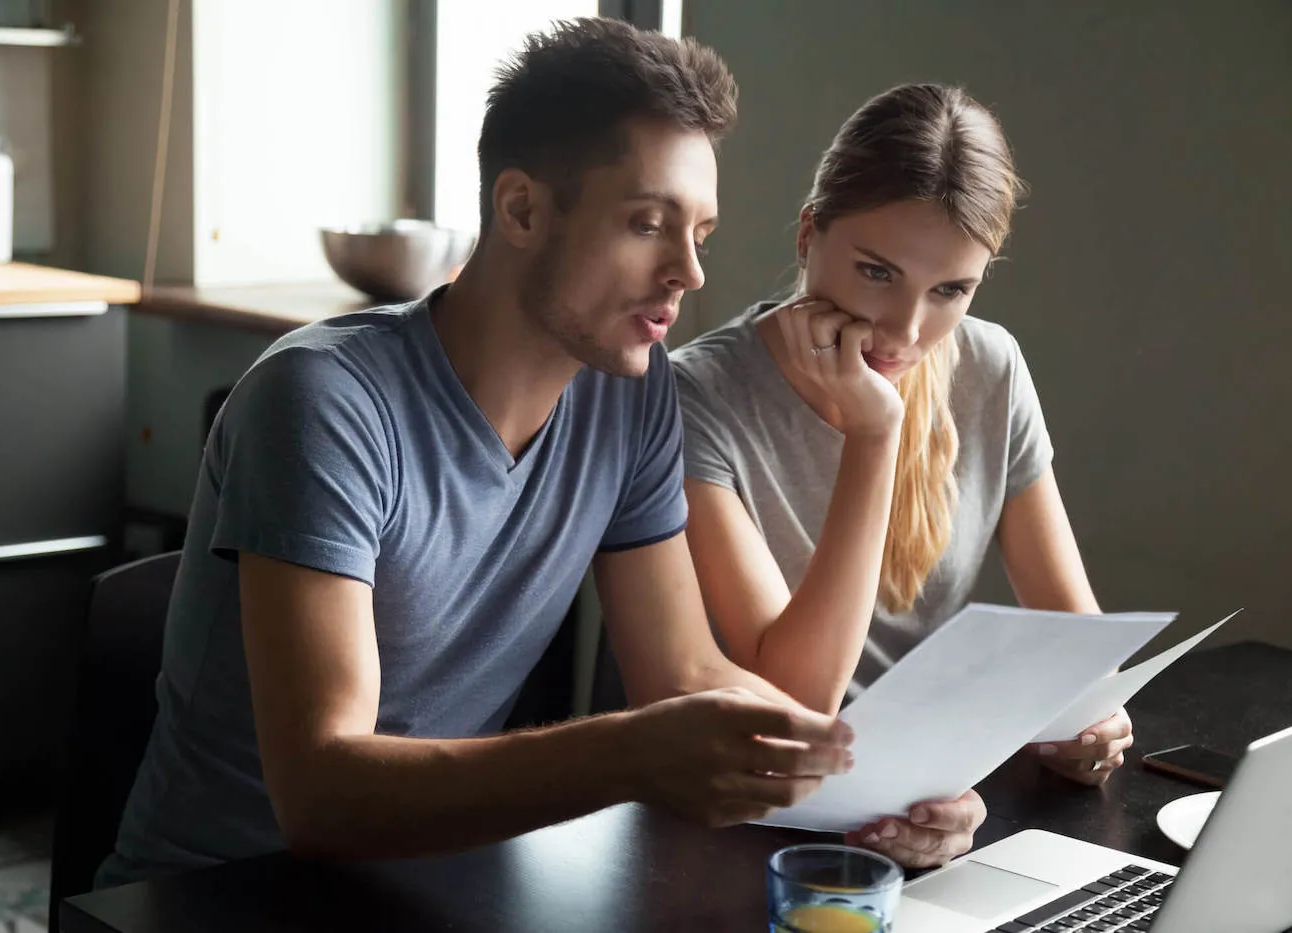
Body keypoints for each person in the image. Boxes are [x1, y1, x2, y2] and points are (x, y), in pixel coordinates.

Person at [96, 18, 856, 888]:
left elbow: (684, 670)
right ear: (522, 208)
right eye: (649, 223)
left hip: (429, 884)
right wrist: (627, 753)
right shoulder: (322, 400)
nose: (689, 271)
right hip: (219, 895)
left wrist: (872, 786)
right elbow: (320, 792)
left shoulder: (632, 392)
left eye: (701, 235)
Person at [671, 84, 1132, 869]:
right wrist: (876, 434)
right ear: (809, 232)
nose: (908, 330)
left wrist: (1091, 725)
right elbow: (797, 698)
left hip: (911, 799)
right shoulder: (694, 395)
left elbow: (1077, 645)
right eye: (877, 272)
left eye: (951, 289)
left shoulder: (990, 368)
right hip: (732, 823)